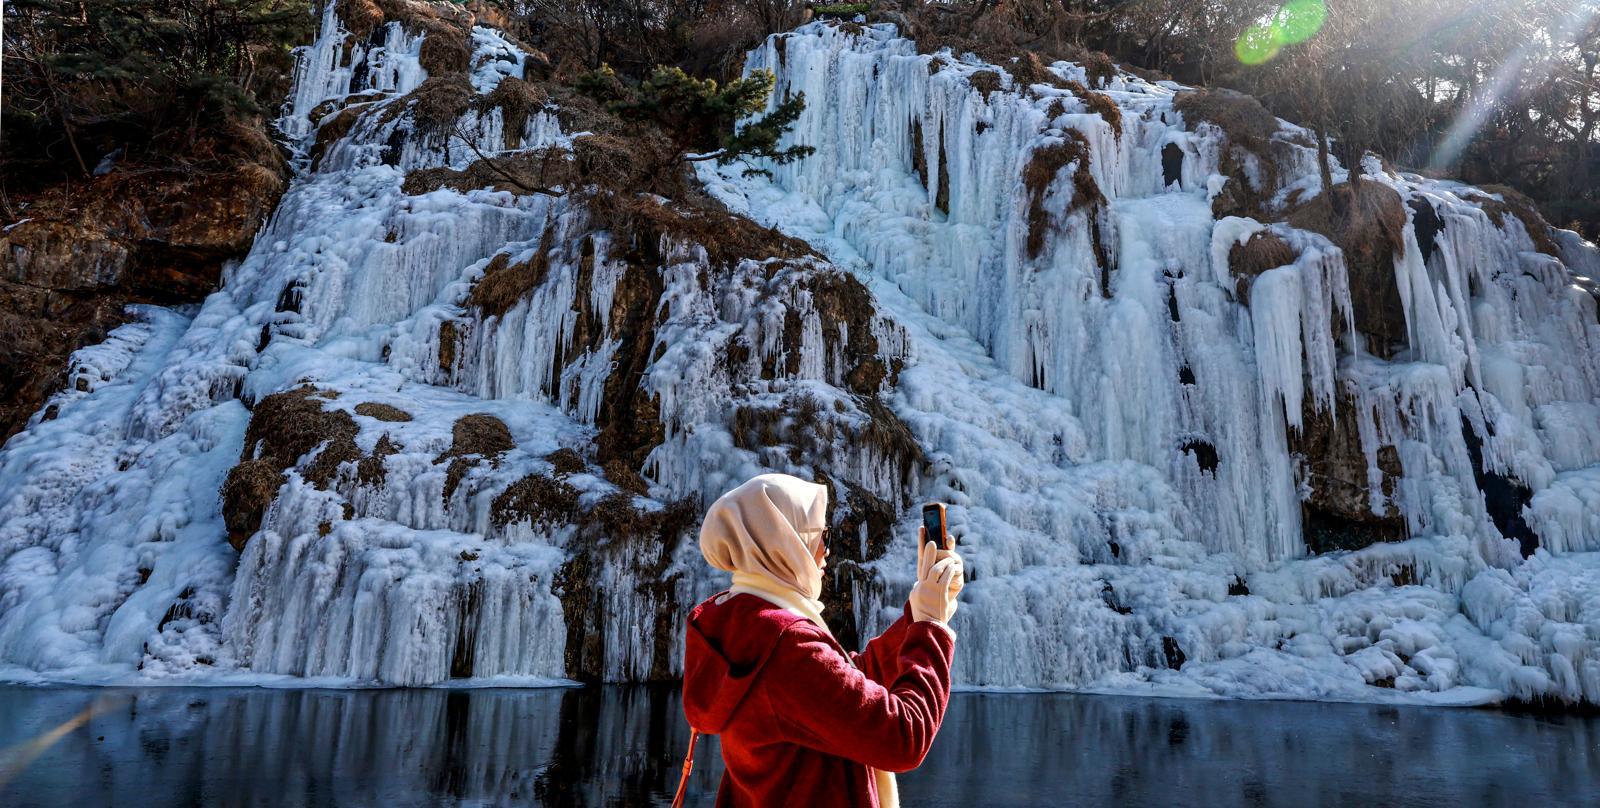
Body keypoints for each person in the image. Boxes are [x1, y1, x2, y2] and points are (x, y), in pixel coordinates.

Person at [680, 473, 965, 807]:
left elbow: (845, 687)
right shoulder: (786, 644)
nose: (826, 551)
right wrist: (931, 628)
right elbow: (903, 737)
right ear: (785, 541)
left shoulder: (744, 623)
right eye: (820, 536)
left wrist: (917, 615)